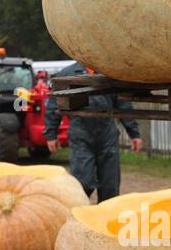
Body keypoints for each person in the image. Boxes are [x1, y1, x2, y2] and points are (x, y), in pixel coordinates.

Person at [44, 65, 142, 203]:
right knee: (83, 182)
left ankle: (106, 218)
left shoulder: (109, 72)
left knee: (110, 186)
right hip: (81, 134)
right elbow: (54, 105)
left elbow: (123, 105)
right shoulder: (67, 74)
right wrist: (51, 134)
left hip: (107, 134)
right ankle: (80, 214)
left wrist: (134, 133)